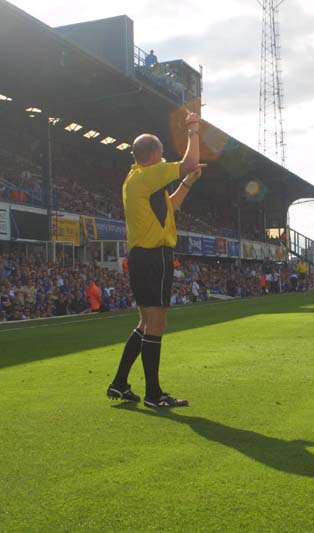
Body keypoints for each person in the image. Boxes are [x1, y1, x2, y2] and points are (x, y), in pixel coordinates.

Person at [107, 111, 204, 408]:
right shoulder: (147, 175)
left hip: (142, 256)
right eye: (162, 154)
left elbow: (169, 207)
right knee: (157, 324)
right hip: (154, 256)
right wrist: (192, 130)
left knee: (146, 322)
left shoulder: (138, 180)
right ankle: (153, 394)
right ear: (152, 155)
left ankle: (120, 383)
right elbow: (188, 161)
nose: (164, 160)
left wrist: (187, 182)